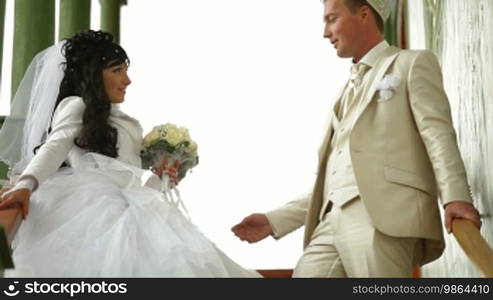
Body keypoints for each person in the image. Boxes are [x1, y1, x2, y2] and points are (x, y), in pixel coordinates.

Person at [232, 0, 482, 277]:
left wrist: (455, 198)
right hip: (327, 224)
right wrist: (274, 220)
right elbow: (334, 180)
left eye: (331, 19)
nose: (325, 32)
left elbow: (437, 134)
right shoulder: (341, 95)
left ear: (363, 14)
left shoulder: (411, 63)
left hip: (385, 217)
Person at [0, 30, 260, 277]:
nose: (127, 80)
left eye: (126, 70)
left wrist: (160, 177)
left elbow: (132, 181)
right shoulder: (76, 105)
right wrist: (26, 185)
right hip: (93, 212)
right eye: (117, 70)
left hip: (134, 209)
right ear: (94, 75)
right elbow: (55, 146)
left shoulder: (125, 121)